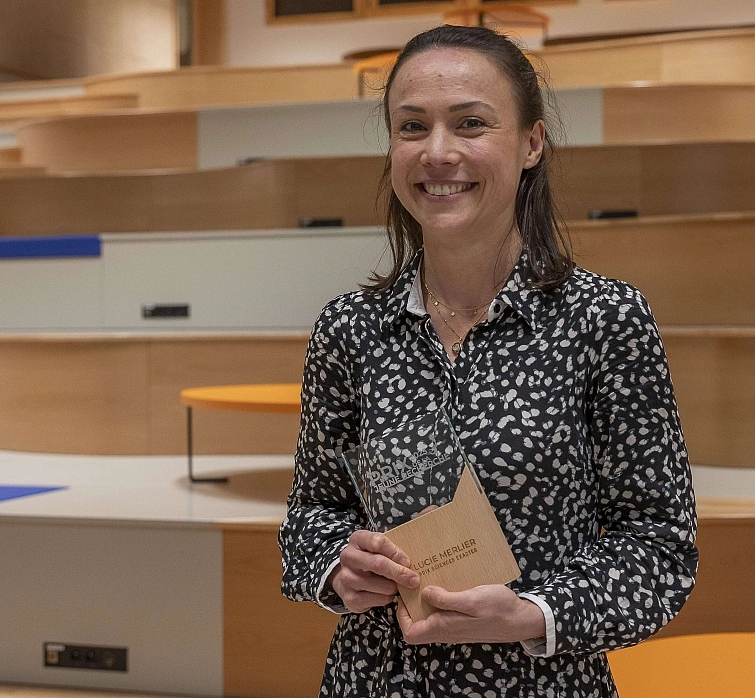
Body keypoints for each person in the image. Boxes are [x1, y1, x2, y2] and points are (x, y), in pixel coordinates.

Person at [279, 24, 697, 698]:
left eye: (470, 123)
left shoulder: (605, 320)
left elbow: (658, 548)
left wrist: (532, 614)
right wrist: (336, 565)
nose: (437, 152)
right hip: (376, 680)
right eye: (412, 127)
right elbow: (310, 517)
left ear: (532, 142)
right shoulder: (350, 329)